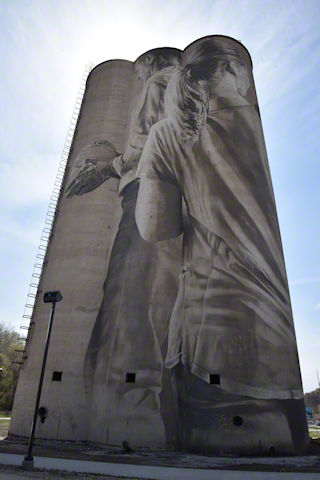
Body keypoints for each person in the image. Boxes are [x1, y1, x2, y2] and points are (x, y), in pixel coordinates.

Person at [135, 36, 309, 454]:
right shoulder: (253, 123)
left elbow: (155, 227)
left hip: (209, 336)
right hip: (276, 348)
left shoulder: (169, 133)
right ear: (235, 70)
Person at [67, 48, 183, 446]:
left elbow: (157, 135)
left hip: (147, 189)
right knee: (161, 299)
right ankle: (157, 411)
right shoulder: (190, 86)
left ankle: (126, 409)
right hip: (178, 196)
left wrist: (107, 167)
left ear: (147, 67)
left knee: (128, 296)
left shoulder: (158, 83)